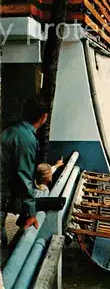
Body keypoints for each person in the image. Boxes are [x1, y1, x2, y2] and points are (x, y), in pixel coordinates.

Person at [1, 96, 49, 248]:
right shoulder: (26, 139)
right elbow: (24, 177)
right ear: (44, 117)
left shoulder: (11, 131)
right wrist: (31, 213)